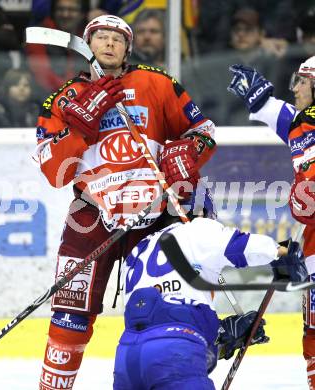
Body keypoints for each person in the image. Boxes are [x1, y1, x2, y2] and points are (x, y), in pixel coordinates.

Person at [35, 14, 217, 389]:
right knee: (69, 315)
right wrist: (80, 126)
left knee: (165, 311)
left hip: (154, 215)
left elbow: (203, 132)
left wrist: (187, 152)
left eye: (118, 38)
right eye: (101, 37)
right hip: (91, 214)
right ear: (89, 44)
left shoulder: (157, 82)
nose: (110, 44)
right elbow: (54, 173)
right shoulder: (65, 97)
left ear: (127, 47)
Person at [114, 184, 307, 389]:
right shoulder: (196, 229)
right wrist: (282, 252)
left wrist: (224, 338)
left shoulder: (137, 251)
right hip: (177, 351)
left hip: (126, 357)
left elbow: (157, 323)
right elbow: (238, 246)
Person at [227, 56, 315, 388]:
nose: (295, 87)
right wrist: (261, 101)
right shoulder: (302, 124)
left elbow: (305, 202)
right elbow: (286, 119)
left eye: (302, 81)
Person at [26, 0, 89, 96]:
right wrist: (69, 94)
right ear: (53, 13)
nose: (65, 14)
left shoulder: (89, 37)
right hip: (47, 98)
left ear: (82, 14)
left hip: (83, 98)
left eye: (72, 10)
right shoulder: (38, 35)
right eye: (60, 9)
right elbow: (42, 76)